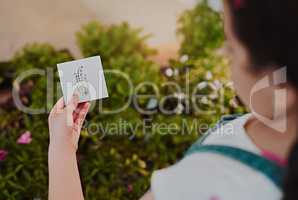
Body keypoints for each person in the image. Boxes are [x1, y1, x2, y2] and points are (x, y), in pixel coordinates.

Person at [48, 0, 298, 199]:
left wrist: (62, 148)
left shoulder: (198, 184)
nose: (224, 55)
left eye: (231, 49)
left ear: (281, 87)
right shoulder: (266, 122)